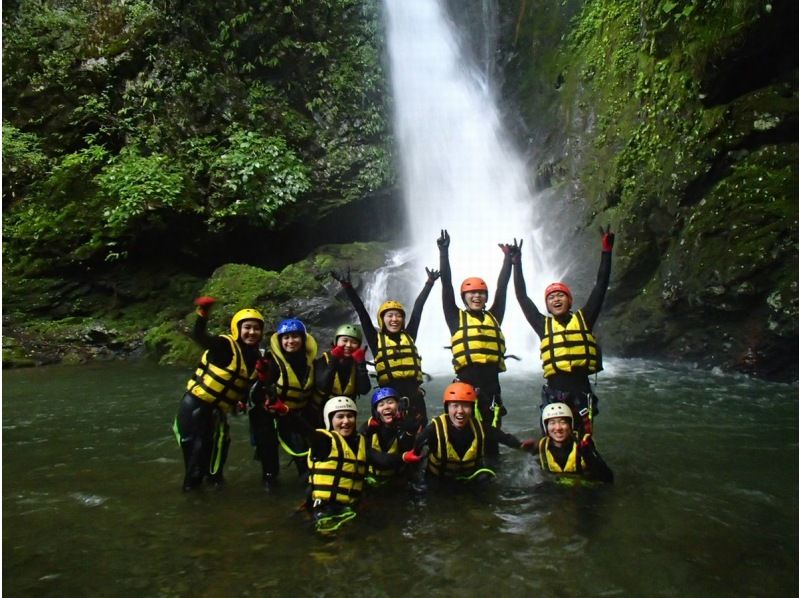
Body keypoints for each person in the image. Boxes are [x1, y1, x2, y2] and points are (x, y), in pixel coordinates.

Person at [512, 226, 614, 435]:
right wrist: (516, 263)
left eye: (560, 296)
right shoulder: (543, 325)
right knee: (553, 443)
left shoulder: (584, 319)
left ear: (569, 300)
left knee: (584, 441)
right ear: (547, 306)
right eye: (551, 297)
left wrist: (606, 252)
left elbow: (600, 286)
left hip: (581, 390)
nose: (556, 299)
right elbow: (522, 297)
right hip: (554, 393)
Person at [437, 229, 517, 456]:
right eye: (472, 294)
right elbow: (446, 286)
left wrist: (508, 260)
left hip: (492, 387)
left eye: (481, 293)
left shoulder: (494, 316)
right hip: (465, 386)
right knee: (465, 438)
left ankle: (492, 474)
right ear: (464, 298)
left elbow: (502, 288)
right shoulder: (455, 318)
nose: (477, 297)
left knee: (492, 438)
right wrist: (444, 252)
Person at [330, 266, 439, 430]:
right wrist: (347, 287)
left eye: (398, 316)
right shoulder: (376, 340)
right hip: (389, 400)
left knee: (419, 435)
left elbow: (418, 308)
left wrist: (429, 283)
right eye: (390, 315)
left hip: (415, 398)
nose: (394, 319)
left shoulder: (409, 335)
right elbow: (362, 313)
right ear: (382, 320)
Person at [175, 296, 264, 491]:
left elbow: (242, 384)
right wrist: (203, 314)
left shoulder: (256, 356)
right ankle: (193, 497)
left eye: (256, 328)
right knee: (197, 455)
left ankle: (210, 493)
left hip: (215, 411)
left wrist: (240, 400)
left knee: (214, 458)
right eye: (247, 327)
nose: (252, 332)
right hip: (195, 407)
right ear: (237, 329)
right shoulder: (224, 346)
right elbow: (199, 336)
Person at [402, 382, 535, 491]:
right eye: (455, 406)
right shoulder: (433, 429)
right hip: (439, 479)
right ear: (447, 408)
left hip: (470, 476)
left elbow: (502, 437)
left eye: (465, 406)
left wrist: (520, 445)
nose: (460, 411)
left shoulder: (480, 427)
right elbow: (417, 448)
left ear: (471, 409)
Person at [248, 318, 318, 490]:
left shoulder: (310, 362)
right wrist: (263, 378)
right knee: (270, 466)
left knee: (305, 462)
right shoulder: (270, 362)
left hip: (295, 415)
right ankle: (270, 488)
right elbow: (255, 395)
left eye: (295, 337)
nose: (291, 341)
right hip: (270, 417)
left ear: (303, 339)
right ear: (280, 341)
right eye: (286, 338)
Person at [306, 396, 367, 534]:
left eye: (350, 416)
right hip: (326, 512)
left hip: (350, 508)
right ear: (330, 420)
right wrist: (285, 411)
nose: (346, 421)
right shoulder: (323, 442)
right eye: (340, 417)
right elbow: (305, 430)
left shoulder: (359, 443)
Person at [536, 402, 613, 484]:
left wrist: (589, 456)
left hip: (584, 490)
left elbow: (608, 478)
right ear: (546, 427)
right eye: (552, 423)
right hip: (556, 489)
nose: (558, 428)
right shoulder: (542, 446)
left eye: (563, 422)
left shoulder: (583, 444)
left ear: (570, 425)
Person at [312, 324, 371, 426]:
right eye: (344, 340)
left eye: (353, 342)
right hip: (320, 412)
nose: (348, 345)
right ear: (336, 341)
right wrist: (334, 360)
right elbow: (323, 386)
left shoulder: (356, 363)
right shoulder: (322, 360)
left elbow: (364, 389)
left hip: (346, 415)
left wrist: (361, 364)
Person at [360, 387, 419, 487]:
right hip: (371, 480)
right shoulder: (366, 429)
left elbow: (411, 452)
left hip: (398, 479)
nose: (386, 407)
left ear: (399, 406)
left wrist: (411, 433)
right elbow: (378, 460)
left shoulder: (406, 425)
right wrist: (403, 457)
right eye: (381, 404)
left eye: (390, 402)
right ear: (375, 411)